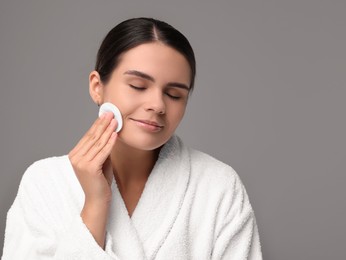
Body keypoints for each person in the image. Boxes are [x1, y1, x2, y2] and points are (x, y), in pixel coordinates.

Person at [2, 17, 262, 259]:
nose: (157, 104)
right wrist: (94, 205)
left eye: (174, 94)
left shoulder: (218, 185)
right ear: (97, 87)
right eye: (138, 86)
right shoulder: (45, 183)